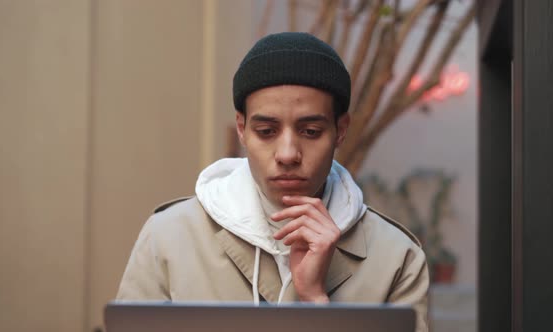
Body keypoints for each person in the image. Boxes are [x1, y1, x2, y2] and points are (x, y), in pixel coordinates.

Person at [117, 32, 429, 331]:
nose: (288, 154)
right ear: (241, 128)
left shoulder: (396, 258)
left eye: (310, 132)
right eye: (266, 132)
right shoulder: (169, 237)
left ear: (341, 129)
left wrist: (317, 305)